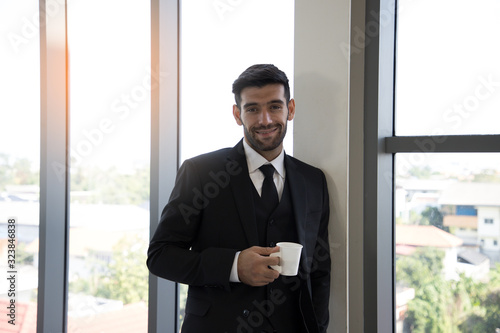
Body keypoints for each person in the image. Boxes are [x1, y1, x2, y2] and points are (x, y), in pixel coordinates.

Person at [147, 64, 331, 333]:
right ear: (237, 114)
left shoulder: (313, 180)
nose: (265, 120)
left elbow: (319, 268)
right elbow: (160, 256)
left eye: (275, 107)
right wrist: (233, 266)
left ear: (290, 109)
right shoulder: (201, 172)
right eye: (253, 109)